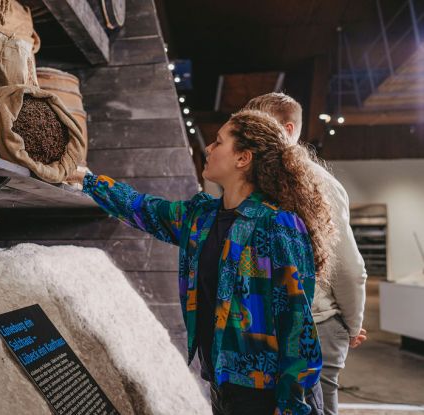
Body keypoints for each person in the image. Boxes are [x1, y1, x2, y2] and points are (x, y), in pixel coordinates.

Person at [71, 110, 334, 415]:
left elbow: (298, 325)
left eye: (219, 142)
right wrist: (88, 181)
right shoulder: (202, 217)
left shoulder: (278, 224)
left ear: (242, 158)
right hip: (222, 383)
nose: (208, 148)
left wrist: (290, 406)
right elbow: (145, 210)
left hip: (266, 393)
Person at [244, 92, 368, 415]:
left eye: (261, 125)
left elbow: (349, 269)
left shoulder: (319, 184)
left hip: (317, 325)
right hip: (269, 329)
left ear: (287, 130)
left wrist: (352, 326)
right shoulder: (253, 182)